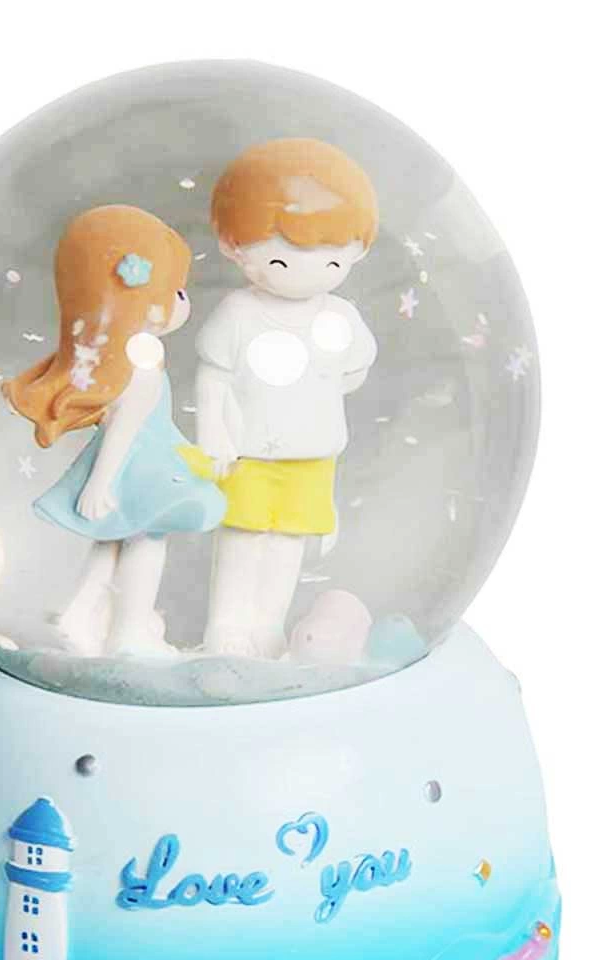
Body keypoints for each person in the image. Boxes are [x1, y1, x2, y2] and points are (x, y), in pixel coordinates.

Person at [4, 206, 224, 656]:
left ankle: (80, 612)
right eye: (176, 291)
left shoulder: (114, 364)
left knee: (113, 538)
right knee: (148, 539)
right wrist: (100, 483)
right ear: (143, 299)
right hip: (140, 464)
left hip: (136, 460)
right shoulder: (141, 367)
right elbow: (124, 430)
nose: (184, 302)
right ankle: (130, 630)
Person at [195, 139, 379, 658]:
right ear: (234, 246)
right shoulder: (239, 312)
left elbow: (354, 371)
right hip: (248, 454)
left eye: (331, 259)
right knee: (242, 538)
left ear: (358, 251)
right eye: (279, 258)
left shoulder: (340, 317)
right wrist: (213, 431)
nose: (306, 270)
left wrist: (315, 395)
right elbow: (212, 376)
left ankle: (267, 628)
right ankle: (225, 628)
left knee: (288, 545)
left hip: (312, 457)